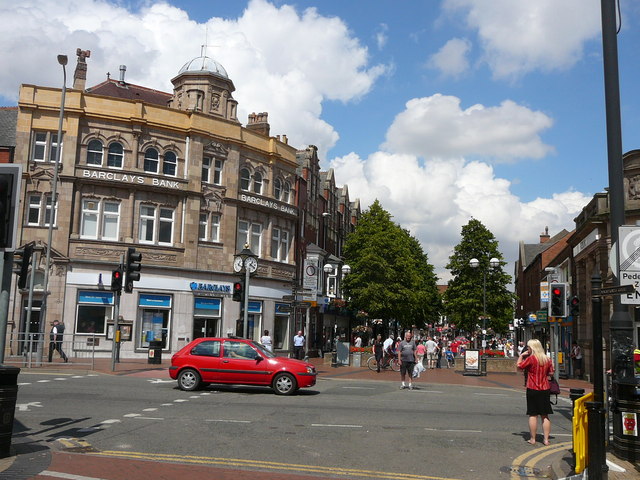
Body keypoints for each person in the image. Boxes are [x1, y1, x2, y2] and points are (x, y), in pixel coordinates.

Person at [517, 339, 554, 446]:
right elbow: (551, 373)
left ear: (532, 348)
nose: (527, 349)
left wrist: (522, 355)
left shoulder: (531, 359)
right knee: (545, 415)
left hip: (532, 388)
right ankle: (546, 440)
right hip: (545, 388)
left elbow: (519, 366)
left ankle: (533, 439)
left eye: (528, 347)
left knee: (533, 415)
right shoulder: (547, 359)